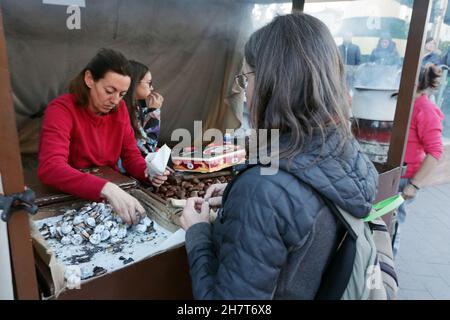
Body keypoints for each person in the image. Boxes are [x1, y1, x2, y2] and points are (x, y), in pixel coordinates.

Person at [179, 13, 378, 299]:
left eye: (245, 78)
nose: (245, 93)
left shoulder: (264, 191)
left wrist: (197, 232)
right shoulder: (344, 147)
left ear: (272, 82)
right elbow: (301, 203)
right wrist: (240, 193)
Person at [38, 48, 169, 225]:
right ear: (89, 79)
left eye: (122, 94)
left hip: (110, 196)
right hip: (68, 200)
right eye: (109, 91)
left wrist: (149, 172)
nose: (115, 100)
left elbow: (131, 156)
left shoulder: (120, 109)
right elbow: (51, 168)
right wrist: (106, 188)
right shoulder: (61, 110)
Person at [392, 63, 444, 257]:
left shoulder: (426, 109)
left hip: (405, 180)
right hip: (390, 174)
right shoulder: (401, 102)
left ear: (416, 82)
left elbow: (435, 152)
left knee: (392, 229)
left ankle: (384, 279)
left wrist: (414, 185)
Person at [123, 60, 164, 156]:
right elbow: (148, 149)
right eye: (149, 83)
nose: (152, 88)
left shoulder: (137, 106)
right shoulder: (125, 110)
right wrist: (153, 112)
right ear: (134, 82)